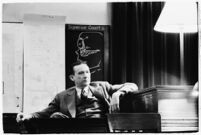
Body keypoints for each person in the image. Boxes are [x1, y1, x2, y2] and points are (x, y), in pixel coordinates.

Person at [16, 61, 138, 122]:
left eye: (87, 72)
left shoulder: (103, 86)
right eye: (81, 73)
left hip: (102, 127)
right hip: (77, 129)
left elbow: (132, 85)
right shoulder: (62, 96)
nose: (86, 76)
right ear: (72, 78)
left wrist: (117, 94)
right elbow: (45, 113)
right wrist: (28, 115)